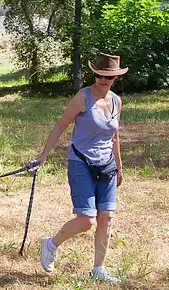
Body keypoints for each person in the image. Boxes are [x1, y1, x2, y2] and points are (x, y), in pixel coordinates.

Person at [31, 53, 128, 284]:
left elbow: (115, 136)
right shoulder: (82, 97)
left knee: (107, 217)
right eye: (98, 74)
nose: (102, 79)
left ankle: (98, 269)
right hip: (81, 162)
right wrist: (43, 156)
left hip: (107, 166)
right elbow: (60, 126)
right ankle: (51, 244)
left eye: (108, 76)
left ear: (115, 77)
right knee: (86, 220)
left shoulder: (116, 101)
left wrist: (120, 166)